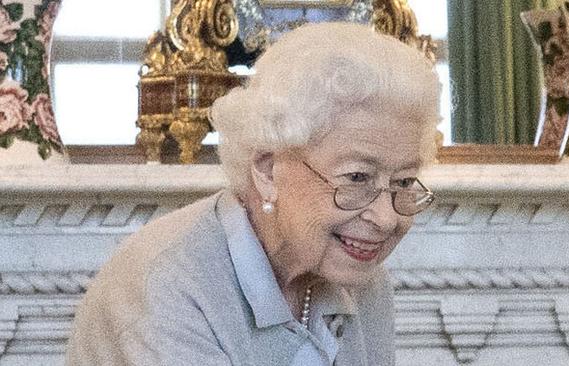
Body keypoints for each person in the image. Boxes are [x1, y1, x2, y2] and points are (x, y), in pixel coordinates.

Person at [65, 21, 440, 366]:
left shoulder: (361, 279)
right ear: (266, 169)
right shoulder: (168, 287)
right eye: (357, 177)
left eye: (404, 182)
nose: (387, 218)